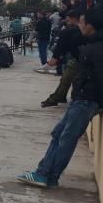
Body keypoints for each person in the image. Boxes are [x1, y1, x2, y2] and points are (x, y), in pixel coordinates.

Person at [17, 10, 103, 188]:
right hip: (82, 98)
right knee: (59, 134)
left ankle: (47, 175)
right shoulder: (91, 44)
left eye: (81, 23)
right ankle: (46, 173)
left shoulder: (96, 49)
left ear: (90, 26)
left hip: (86, 100)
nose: (79, 26)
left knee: (66, 138)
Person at [40, 10, 83, 107]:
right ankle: (59, 97)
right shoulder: (75, 30)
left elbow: (61, 46)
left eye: (68, 19)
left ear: (72, 19)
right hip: (80, 57)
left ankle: (59, 97)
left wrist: (55, 59)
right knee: (67, 78)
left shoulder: (68, 32)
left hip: (80, 58)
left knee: (68, 78)